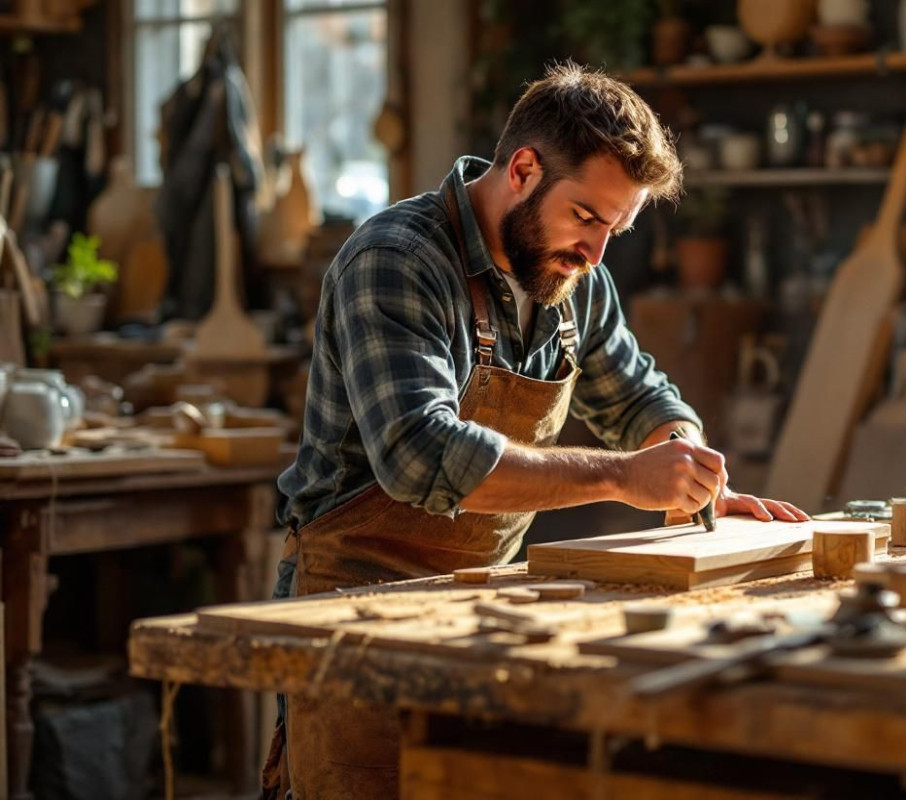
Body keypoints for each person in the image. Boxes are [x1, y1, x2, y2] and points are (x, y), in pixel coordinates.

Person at [262, 62, 809, 799]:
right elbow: (419, 455)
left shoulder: (576, 279)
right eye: (587, 218)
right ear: (523, 169)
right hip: (355, 601)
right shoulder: (397, 260)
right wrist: (621, 476)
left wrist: (685, 464)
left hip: (484, 603)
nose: (596, 253)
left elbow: (640, 396)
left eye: (617, 229)